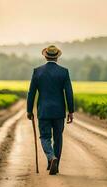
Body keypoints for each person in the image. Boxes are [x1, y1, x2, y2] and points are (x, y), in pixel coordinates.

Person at [27, 45, 74, 175]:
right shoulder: (64, 72)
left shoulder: (38, 72)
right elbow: (69, 93)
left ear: (45, 56)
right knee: (58, 138)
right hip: (59, 112)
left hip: (43, 111)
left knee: (45, 137)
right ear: (57, 57)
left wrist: (29, 110)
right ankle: (55, 164)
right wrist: (71, 111)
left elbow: (31, 93)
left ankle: (51, 157)